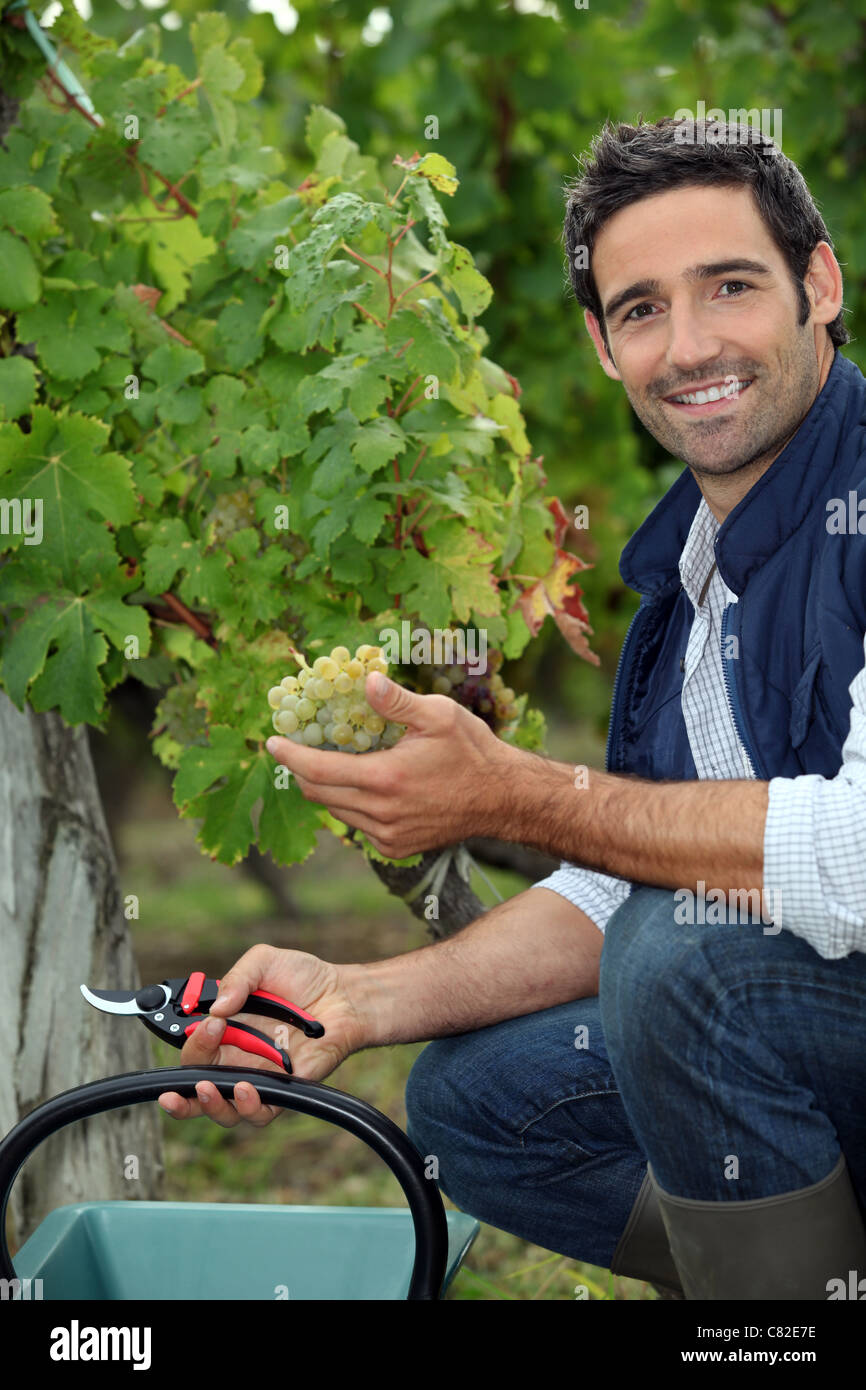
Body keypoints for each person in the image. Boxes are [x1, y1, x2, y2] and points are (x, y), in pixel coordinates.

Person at [159, 116, 866, 1300]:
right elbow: (619, 877)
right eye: (641, 309)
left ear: (818, 284)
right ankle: (804, 1278)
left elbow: (849, 854)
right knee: (471, 1100)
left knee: (681, 961)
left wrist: (516, 793)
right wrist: (357, 996)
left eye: (729, 287)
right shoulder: (685, 593)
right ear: (601, 345)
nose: (688, 346)